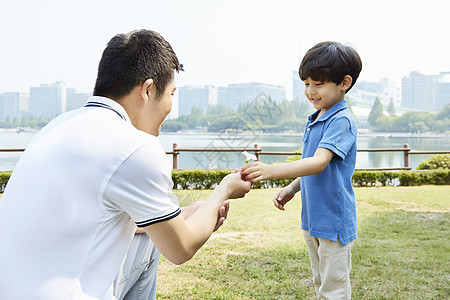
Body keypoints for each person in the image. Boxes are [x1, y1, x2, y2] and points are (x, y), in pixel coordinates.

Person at [0, 29, 251, 299]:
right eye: (172, 93)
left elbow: (87, 216)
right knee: (154, 245)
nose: (170, 106)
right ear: (148, 89)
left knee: (148, 234)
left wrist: (179, 216)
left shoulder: (57, 126)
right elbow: (181, 248)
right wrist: (223, 192)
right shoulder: (136, 147)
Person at [241, 41, 362, 299]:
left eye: (318, 84)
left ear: (344, 83)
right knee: (321, 283)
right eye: (307, 83)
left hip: (334, 220)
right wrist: (292, 188)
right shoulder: (317, 117)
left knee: (334, 289)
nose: (310, 91)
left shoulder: (341, 120)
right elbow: (312, 164)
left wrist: (272, 171)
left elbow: (319, 162)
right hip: (313, 218)